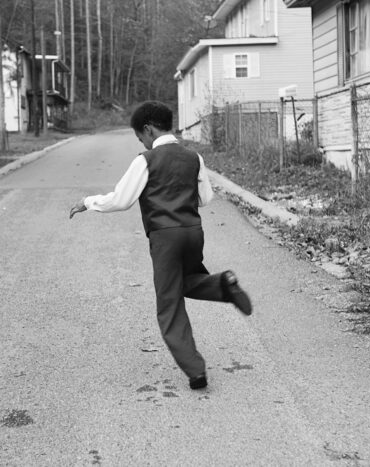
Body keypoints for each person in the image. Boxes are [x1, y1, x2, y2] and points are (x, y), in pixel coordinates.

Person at [69, 101, 253, 390]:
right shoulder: (194, 157)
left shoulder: (146, 160)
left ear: (148, 129)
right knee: (185, 281)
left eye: (139, 137)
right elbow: (205, 199)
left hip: (165, 238)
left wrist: (88, 202)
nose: (141, 143)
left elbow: (121, 200)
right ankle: (223, 286)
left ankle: (195, 370)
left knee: (169, 304)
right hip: (193, 232)